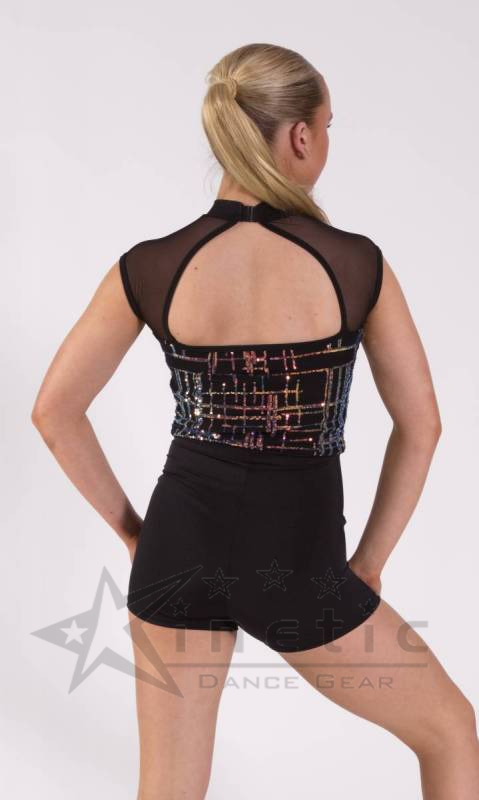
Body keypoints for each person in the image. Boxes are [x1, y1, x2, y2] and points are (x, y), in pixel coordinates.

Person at [31, 43, 479, 799]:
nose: (326, 140)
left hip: (177, 551)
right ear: (300, 136)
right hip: (299, 562)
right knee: (449, 732)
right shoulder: (353, 263)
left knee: (168, 790)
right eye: (328, 125)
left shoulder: (151, 264)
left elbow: (54, 412)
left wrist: (138, 534)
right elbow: (422, 425)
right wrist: (368, 564)